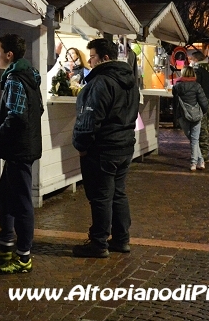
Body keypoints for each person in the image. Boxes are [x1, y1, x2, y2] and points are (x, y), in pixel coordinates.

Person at [72, 38, 140, 258]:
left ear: (105, 58)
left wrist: (82, 145)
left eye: (92, 56)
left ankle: (99, 242)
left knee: (101, 196)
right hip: (124, 145)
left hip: (103, 147)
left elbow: (91, 118)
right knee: (118, 193)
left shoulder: (102, 82)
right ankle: (121, 239)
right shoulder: (129, 80)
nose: (90, 61)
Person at [0, 33, 44, 273]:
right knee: (3, 198)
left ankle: (23, 257)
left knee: (21, 204)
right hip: (21, 148)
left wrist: (1, 132)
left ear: (9, 55)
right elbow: (35, 109)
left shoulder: (15, 80)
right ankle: (6, 246)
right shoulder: (27, 76)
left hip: (19, 150)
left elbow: (16, 116)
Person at [172, 66, 209, 170]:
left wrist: (176, 116)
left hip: (182, 115)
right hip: (196, 115)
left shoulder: (177, 86)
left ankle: (198, 161)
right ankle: (196, 162)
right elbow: (203, 102)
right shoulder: (197, 86)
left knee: (192, 139)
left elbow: (175, 102)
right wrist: (203, 111)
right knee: (195, 139)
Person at [194, 51, 209, 161]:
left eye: (192, 59)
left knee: (202, 128)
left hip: (202, 101)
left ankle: (203, 155)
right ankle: (204, 153)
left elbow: (196, 86)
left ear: (196, 59)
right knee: (207, 127)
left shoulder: (199, 70)